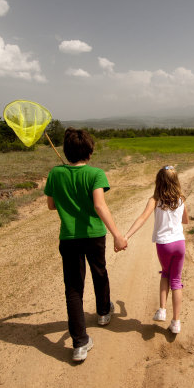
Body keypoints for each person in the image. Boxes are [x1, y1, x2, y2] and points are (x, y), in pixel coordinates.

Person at [44, 127, 127, 362]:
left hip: (69, 238)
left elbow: (51, 206)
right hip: (94, 236)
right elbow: (100, 206)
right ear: (89, 152)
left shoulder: (55, 174)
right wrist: (117, 235)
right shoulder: (96, 174)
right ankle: (103, 313)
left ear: (66, 151)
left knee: (73, 288)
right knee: (99, 272)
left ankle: (79, 343)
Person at [124, 165, 189, 334]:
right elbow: (186, 220)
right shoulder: (181, 198)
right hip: (179, 244)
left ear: (158, 181)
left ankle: (162, 310)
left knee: (165, 274)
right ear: (176, 181)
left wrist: (127, 236)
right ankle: (176, 322)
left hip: (164, 245)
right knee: (176, 281)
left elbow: (142, 218)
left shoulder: (155, 200)